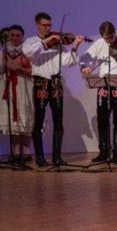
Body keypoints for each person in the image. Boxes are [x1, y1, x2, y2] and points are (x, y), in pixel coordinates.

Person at [23, 12, 84, 166]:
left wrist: (75, 45)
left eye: (50, 25)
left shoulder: (58, 43)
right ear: (37, 25)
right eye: (45, 25)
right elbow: (30, 55)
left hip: (56, 84)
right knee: (39, 121)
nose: (48, 28)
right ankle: (40, 157)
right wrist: (47, 41)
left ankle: (57, 157)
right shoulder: (31, 42)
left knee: (58, 121)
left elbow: (68, 62)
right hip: (41, 83)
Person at [80, 21, 117, 164]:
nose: (109, 41)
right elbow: (85, 58)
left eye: (111, 37)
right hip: (104, 84)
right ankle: (104, 151)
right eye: (106, 38)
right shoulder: (99, 43)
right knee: (102, 118)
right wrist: (86, 67)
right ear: (102, 36)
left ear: (115, 33)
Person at [0, 25, 34, 163]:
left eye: (18, 35)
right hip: (8, 87)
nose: (15, 38)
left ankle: (26, 150)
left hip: (25, 86)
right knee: (12, 120)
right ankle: (15, 150)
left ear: (22, 37)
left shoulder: (28, 52)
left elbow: (34, 71)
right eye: (12, 35)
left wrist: (19, 68)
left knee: (26, 116)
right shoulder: (3, 53)